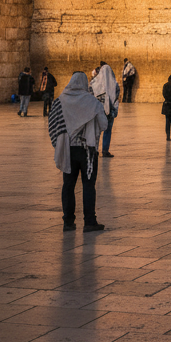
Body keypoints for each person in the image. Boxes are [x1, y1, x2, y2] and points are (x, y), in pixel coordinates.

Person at [49, 71, 107, 232]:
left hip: (67, 150)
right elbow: (104, 124)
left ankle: (68, 222)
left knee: (68, 185)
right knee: (88, 185)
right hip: (87, 151)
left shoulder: (59, 101)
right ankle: (90, 222)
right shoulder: (92, 102)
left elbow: (53, 124)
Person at [91, 63, 119, 158]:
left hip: (97, 111)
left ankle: (94, 149)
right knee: (108, 130)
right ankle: (105, 150)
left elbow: (91, 96)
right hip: (110, 112)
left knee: (96, 131)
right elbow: (116, 98)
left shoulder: (94, 83)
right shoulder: (115, 85)